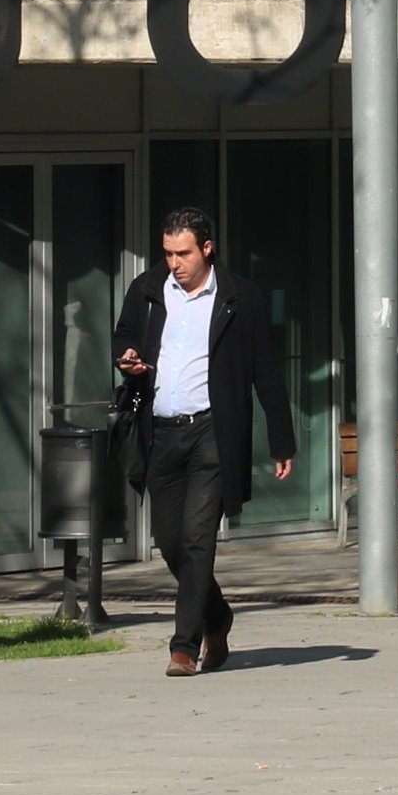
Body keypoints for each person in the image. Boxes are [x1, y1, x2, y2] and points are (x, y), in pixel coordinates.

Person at [112, 207, 297, 677]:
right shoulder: (148, 291)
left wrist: (282, 440)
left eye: (184, 253)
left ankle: (183, 646)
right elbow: (126, 338)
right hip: (160, 433)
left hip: (212, 432)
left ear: (207, 249)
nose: (174, 263)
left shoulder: (240, 299)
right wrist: (127, 360)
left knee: (198, 540)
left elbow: (266, 374)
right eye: (168, 253)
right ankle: (219, 616)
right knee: (170, 542)